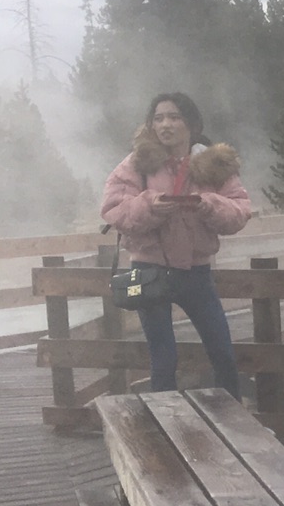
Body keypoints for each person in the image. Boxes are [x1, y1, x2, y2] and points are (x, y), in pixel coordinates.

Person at [100, 92, 252, 398]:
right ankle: (164, 429)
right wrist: (150, 205)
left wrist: (208, 204)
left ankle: (234, 424)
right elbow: (112, 208)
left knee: (222, 350)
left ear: (192, 124)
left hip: (196, 272)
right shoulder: (137, 164)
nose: (165, 125)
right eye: (158, 118)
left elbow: (239, 211)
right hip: (149, 270)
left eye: (174, 117)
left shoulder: (214, 165)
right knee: (162, 357)